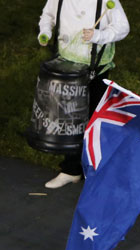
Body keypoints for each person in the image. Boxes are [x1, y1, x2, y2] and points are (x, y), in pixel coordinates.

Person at [38, 0, 130, 189]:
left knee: (94, 120)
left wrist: (99, 35)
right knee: (69, 118)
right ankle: (71, 170)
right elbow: (47, 16)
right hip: (66, 66)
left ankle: (96, 172)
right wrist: (45, 31)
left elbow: (123, 27)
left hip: (96, 69)